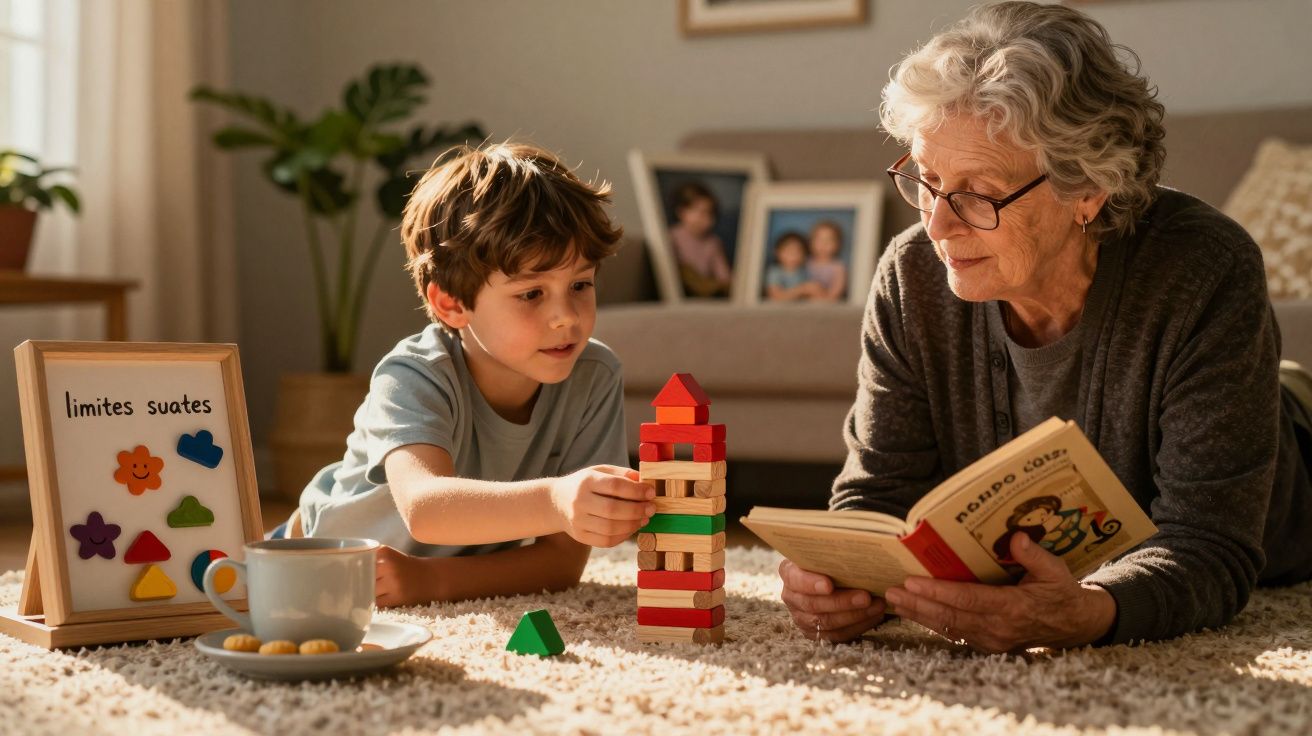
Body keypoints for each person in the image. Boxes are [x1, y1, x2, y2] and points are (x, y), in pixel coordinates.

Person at [776, 1, 1312, 651]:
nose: (938, 225)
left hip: (1287, 487)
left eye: (977, 192)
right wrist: (838, 580)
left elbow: (1211, 543)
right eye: (927, 179)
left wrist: (1089, 612)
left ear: (1086, 190)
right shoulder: (910, 274)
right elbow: (878, 492)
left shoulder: (1205, 268)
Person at [285, 142, 656, 607]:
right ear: (452, 304)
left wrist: (431, 581)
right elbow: (426, 507)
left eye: (580, 285)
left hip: (415, 570)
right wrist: (558, 500)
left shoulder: (595, 375)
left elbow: (561, 565)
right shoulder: (413, 375)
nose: (567, 317)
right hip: (318, 553)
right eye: (532, 294)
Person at [668, 181, 733, 298]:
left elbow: (723, 276)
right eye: (701, 213)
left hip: (706, 292)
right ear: (682, 212)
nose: (707, 219)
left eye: (710, 213)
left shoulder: (713, 242)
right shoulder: (672, 236)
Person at [764, 231, 822, 302]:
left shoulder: (803, 272)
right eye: (788, 251)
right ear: (777, 252)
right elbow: (776, 296)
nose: (793, 255)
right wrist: (802, 289)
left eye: (798, 251)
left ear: (804, 255)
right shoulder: (775, 272)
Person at [805, 220, 848, 302]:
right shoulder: (805, 262)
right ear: (810, 242)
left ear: (838, 244)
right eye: (819, 240)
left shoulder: (838, 267)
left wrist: (822, 297)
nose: (823, 244)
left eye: (829, 240)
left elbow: (835, 294)